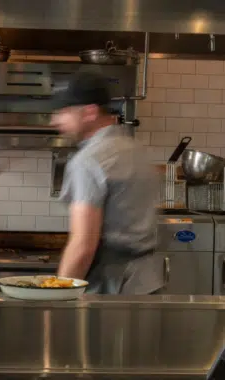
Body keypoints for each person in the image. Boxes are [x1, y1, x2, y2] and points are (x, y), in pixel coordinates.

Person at [51, 71, 164, 295]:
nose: (55, 121)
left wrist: (58, 295)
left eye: (64, 112)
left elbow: (83, 245)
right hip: (149, 284)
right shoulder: (137, 151)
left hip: (111, 289)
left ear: (90, 112)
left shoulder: (89, 161)